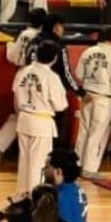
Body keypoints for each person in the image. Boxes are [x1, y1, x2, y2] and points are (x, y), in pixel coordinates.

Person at [0, 9, 47, 166]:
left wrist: (10, 45)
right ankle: (0, 144)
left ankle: (1, 144)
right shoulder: (42, 38)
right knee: (29, 116)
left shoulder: (24, 34)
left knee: (20, 115)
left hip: (21, 75)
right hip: (36, 77)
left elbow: (12, 56)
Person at [13, 40, 69, 193]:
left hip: (24, 118)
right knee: (38, 164)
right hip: (41, 121)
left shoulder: (23, 72)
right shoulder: (51, 77)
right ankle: (34, 195)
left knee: (24, 161)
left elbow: (16, 94)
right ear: (55, 58)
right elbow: (60, 105)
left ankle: (22, 193)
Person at [75, 25, 111, 177]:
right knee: (97, 134)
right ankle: (90, 169)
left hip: (86, 97)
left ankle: (77, 165)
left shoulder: (87, 52)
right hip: (104, 99)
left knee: (84, 132)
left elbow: (79, 74)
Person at [26, 13, 80, 149]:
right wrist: (80, 91)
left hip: (28, 91)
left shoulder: (33, 42)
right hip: (49, 99)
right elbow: (66, 73)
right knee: (52, 134)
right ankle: (52, 157)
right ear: (56, 28)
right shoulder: (58, 46)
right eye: (62, 27)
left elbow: (25, 62)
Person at [43, 148, 89, 222]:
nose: (44, 170)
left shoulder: (64, 199)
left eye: (47, 167)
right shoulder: (77, 189)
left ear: (58, 172)